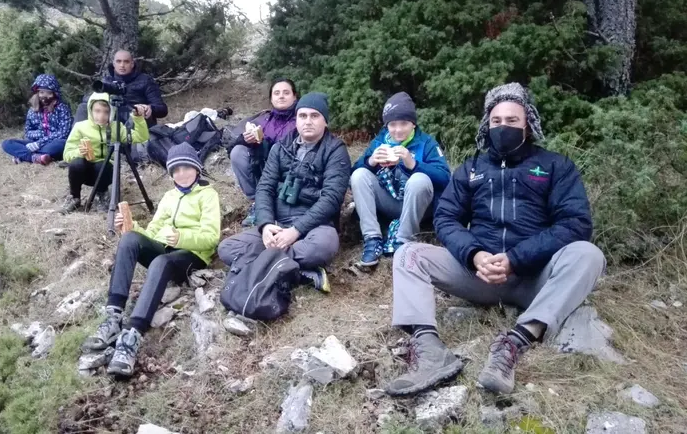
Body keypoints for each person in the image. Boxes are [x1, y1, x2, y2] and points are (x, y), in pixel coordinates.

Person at [387, 83, 605, 397]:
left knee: (588, 254)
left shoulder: (557, 166)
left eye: (512, 121)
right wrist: (473, 254)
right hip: (479, 274)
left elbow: (576, 223)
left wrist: (516, 258)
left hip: (534, 276)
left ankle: (517, 340)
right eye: (496, 122)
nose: (504, 128)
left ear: (528, 124)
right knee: (407, 253)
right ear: (486, 126)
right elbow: (445, 218)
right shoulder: (471, 168)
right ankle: (430, 350)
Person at [82, 143, 221, 377]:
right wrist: (131, 227)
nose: (181, 174)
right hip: (165, 248)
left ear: (197, 169)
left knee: (161, 263)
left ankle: (132, 335)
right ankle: (113, 316)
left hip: (192, 256)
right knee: (129, 240)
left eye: (186, 167)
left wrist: (181, 238)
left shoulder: (208, 195)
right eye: (176, 170)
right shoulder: (169, 197)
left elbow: (211, 237)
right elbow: (154, 231)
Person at [217, 92, 351, 293]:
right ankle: (300, 273)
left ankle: (261, 265)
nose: (308, 121)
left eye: (314, 116)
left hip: (313, 227)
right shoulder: (281, 147)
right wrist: (265, 225)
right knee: (226, 249)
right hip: (277, 225)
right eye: (302, 116)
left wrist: (296, 231)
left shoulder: (335, 151)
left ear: (325, 121)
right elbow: (265, 187)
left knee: (325, 245)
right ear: (296, 119)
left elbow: (332, 199)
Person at [351, 92, 451, 267]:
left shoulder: (426, 143)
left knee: (419, 179)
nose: (398, 130)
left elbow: (445, 178)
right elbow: (353, 176)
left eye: (404, 124)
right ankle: (372, 239)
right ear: (386, 125)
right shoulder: (379, 142)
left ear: (413, 124)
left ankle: (403, 241)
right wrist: (371, 161)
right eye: (392, 125)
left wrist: (412, 163)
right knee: (359, 175)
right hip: (390, 202)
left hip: (419, 207)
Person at [61, 92, 149, 213]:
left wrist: (138, 119)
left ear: (111, 112)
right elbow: (67, 154)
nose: (101, 116)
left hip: (106, 172)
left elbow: (141, 137)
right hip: (85, 171)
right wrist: (79, 152)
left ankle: (101, 195)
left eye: (106, 112)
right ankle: (74, 197)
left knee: (101, 165)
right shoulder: (80, 127)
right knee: (76, 163)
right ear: (90, 110)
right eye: (97, 111)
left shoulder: (116, 127)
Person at [229, 79, 298, 227]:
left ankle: (279, 204)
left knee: (275, 150)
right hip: (262, 169)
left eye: (286, 93)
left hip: (289, 172)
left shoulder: (301, 119)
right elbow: (232, 146)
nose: (281, 96)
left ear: (294, 97)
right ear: (271, 98)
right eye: (277, 93)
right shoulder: (263, 119)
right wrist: (246, 139)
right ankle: (257, 202)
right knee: (237, 152)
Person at [75, 50, 168, 129]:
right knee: (83, 108)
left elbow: (162, 109)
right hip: (111, 117)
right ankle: (77, 144)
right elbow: (87, 100)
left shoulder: (145, 80)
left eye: (126, 62)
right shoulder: (107, 80)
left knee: (135, 116)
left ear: (132, 64)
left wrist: (149, 108)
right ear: (114, 64)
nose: (122, 65)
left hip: (135, 118)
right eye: (118, 61)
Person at [1, 74, 73, 165]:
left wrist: (40, 143)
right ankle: (34, 157)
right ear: (37, 93)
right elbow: (28, 131)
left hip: (54, 143)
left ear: (55, 94)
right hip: (33, 142)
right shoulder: (32, 110)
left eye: (49, 93)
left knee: (59, 145)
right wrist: (39, 135)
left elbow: (64, 132)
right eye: (42, 92)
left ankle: (24, 156)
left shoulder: (62, 108)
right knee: (7, 143)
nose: (44, 96)